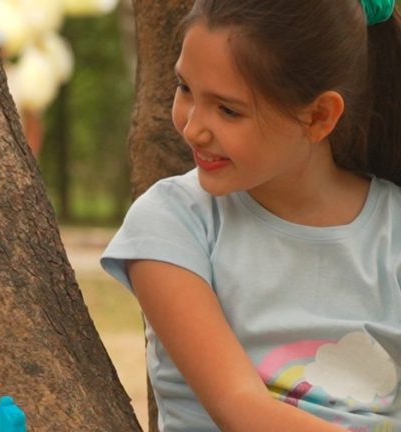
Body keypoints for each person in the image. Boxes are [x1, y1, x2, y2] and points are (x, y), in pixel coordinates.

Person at [101, 0, 401, 430]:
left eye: (228, 110)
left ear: (318, 117)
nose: (193, 128)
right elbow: (239, 407)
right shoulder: (173, 224)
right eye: (185, 88)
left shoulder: (392, 230)